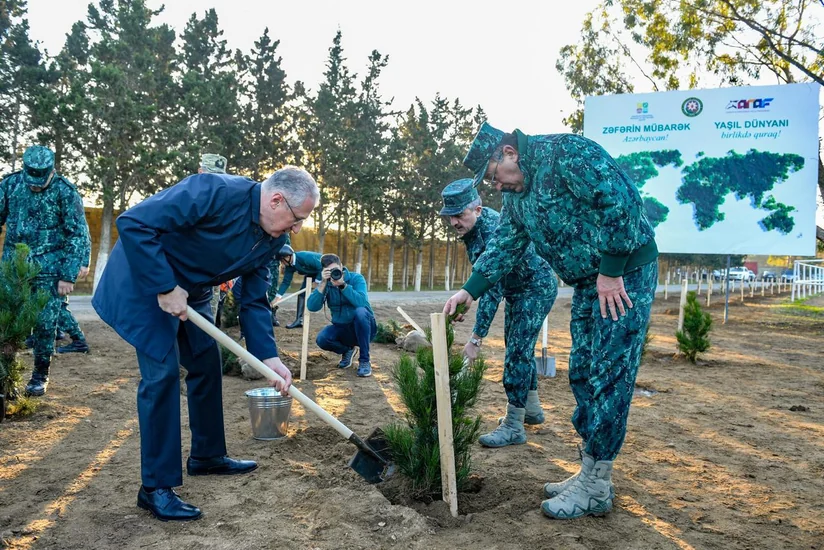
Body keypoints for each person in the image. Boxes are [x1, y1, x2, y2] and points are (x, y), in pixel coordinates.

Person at [443, 122, 658, 520]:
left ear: (509, 152)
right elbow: (505, 244)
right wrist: (468, 291)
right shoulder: (518, 199)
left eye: (493, 177)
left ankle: (595, 487)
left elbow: (621, 201)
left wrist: (611, 271)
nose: (497, 187)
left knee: (609, 376)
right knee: (582, 372)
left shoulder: (567, 154)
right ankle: (591, 473)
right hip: (587, 283)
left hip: (624, 277)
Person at [92, 166, 319, 521]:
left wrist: (268, 357)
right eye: (296, 219)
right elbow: (134, 223)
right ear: (276, 200)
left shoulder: (272, 239)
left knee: (205, 363)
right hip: (146, 282)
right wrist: (165, 287)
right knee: (162, 376)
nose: (297, 229)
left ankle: (207, 456)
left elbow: (255, 300)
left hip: (192, 292)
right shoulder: (213, 191)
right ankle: (154, 488)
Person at [439, 178, 557, 448]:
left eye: (460, 215)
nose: (455, 222)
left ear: (477, 210)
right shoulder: (473, 231)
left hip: (534, 286)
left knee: (516, 352)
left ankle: (514, 425)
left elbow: (492, 288)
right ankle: (532, 409)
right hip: (519, 288)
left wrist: (476, 340)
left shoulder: (491, 229)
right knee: (519, 348)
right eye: (450, 217)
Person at [0, 145, 91, 396]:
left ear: (51, 172)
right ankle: (5, 378)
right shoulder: (10, 185)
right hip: (12, 267)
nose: (35, 186)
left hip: (49, 270)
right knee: (7, 322)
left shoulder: (66, 191)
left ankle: (40, 375)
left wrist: (68, 274)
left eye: (41, 181)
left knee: (45, 324)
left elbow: (77, 235)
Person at [307, 254, 376, 378]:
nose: (334, 273)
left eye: (336, 269)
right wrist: (322, 283)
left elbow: (361, 303)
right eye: (330, 271)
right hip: (343, 328)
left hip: (365, 327)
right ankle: (347, 350)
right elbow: (312, 307)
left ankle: (364, 360)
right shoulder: (326, 284)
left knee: (360, 312)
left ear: (341, 266)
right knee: (322, 339)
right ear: (324, 271)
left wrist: (343, 285)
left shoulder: (356, 278)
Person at [274, 248, 323, 329]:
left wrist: (317, 282)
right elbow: (286, 282)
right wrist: (277, 297)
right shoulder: (290, 266)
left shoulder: (304, 257)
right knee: (301, 295)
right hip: (312, 274)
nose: (282, 264)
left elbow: (321, 266)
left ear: (287, 257)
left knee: (331, 293)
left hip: (326, 270)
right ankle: (299, 320)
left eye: (282, 261)